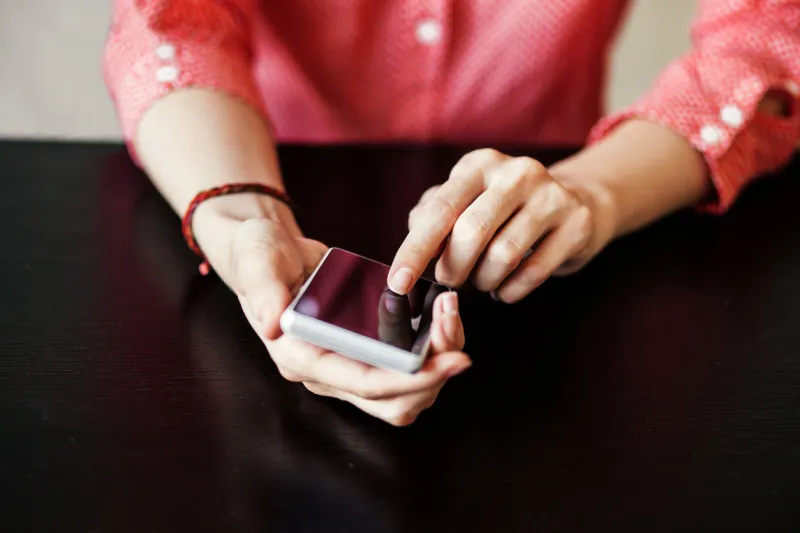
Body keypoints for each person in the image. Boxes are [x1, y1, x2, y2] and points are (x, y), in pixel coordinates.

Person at [103, 0, 799, 426]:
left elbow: (770, 30)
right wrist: (243, 217)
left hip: (556, 244)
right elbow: (172, 20)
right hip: (254, 164)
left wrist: (593, 191)